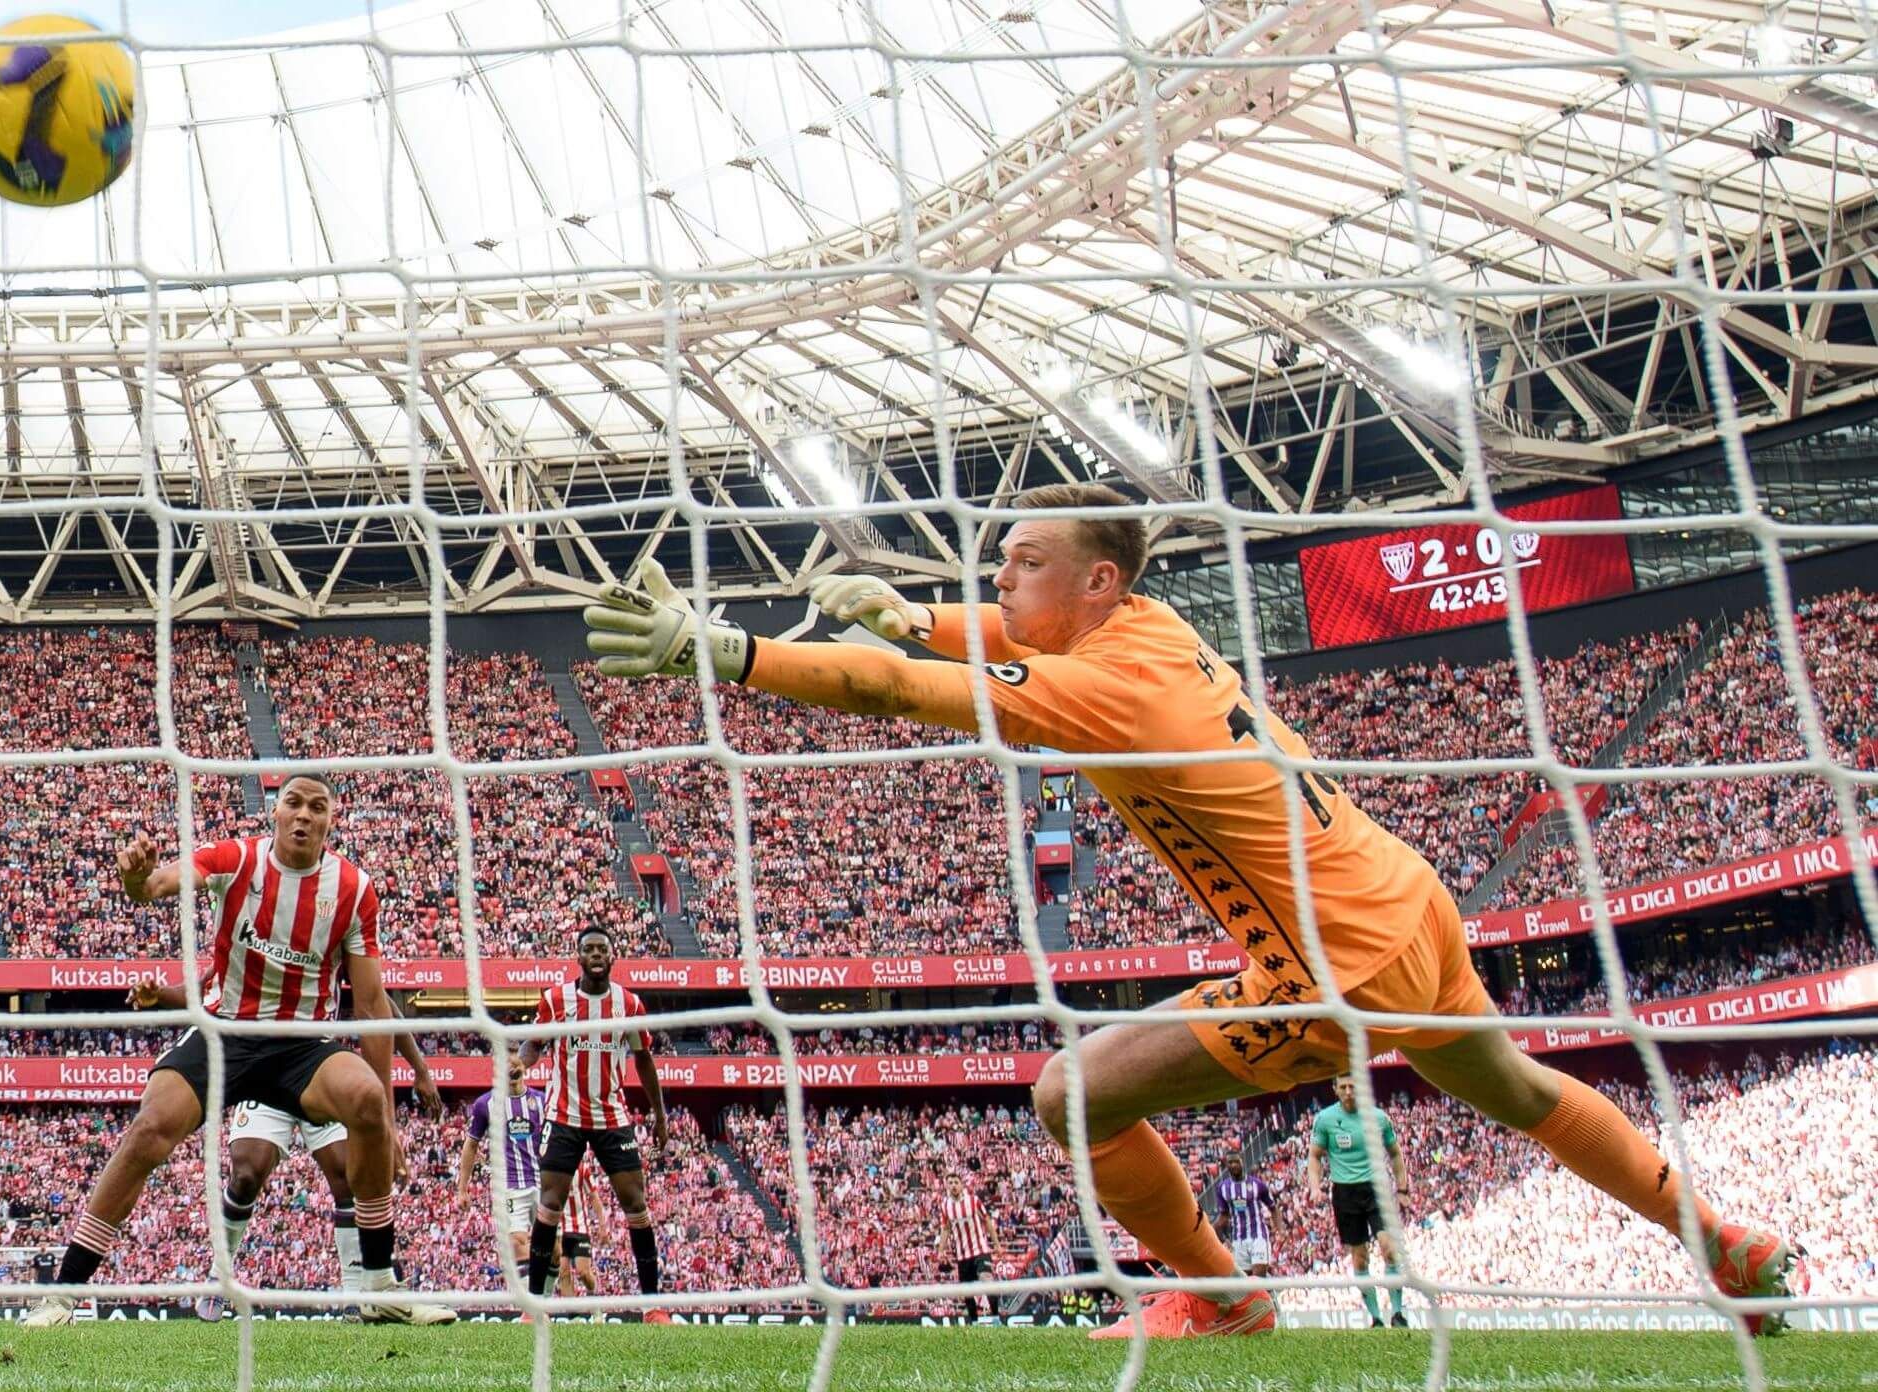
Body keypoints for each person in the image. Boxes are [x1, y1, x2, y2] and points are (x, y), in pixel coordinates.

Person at [582, 482, 1793, 1340]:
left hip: (1337, 962)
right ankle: (1721, 1241)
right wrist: (916, 610)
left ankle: (1224, 1298)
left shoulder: (1101, 692)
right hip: (1403, 896)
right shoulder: (1150, 628)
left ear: (1098, 577)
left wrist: (726, 650)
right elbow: (984, 637)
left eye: (1025, 560)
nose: (1000, 579)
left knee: (1072, 1094)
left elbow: (899, 693)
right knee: (1523, 1094)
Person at [20, 774, 453, 1326]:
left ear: (330, 821)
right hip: (225, 1034)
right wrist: (134, 879)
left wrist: (388, 1125)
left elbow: (370, 1005)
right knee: (151, 1128)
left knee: (368, 1099)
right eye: (292, 803)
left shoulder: (353, 889)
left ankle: (379, 1287)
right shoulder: (235, 859)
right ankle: (62, 1293)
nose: (303, 816)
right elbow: (155, 886)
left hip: (303, 1046)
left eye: (316, 808)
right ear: (275, 813)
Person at [125, 974, 448, 1322]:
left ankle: (356, 1298)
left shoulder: (330, 928)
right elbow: (205, 991)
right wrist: (159, 995)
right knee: (247, 1173)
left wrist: (420, 1068)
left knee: (346, 1176)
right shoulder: (252, 929)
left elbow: (378, 1004)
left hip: (316, 1067)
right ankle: (219, 1277)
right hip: (264, 1067)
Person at [516, 926, 673, 1323]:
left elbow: (643, 1060)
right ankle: (535, 1307)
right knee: (549, 1205)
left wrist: (659, 1113)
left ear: (613, 956)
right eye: (589, 949)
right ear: (578, 957)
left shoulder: (630, 1005)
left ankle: (652, 1305)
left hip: (611, 1116)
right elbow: (534, 1043)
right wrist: (521, 1061)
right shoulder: (556, 1001)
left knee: (636, 1203)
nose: (597, 954)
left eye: (603, 948)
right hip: (563, 1114)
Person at [1307, 1080, 1407, 1326]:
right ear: (1335, 1089)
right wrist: (1314, 1186)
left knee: (1389, 1248)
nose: (1349, 1092)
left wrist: (1403, 1188)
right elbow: (1315, 1156)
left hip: (1376, 1188)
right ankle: (1375, 1317)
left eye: (1353, 1086)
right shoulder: (1325, 1119)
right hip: (1345, 1192)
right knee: (1360, 1257)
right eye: (1343, 1087)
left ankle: (1397, 1313)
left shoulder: (1379, 1118)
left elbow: (1395, 1153)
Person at [456, 1058, 548, 1291]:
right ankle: (532, 1307)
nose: (512, 1068)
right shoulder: (485, 1104)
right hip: (510, 1187)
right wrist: (462, 1188)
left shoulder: (542, 1101)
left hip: (544, 1184)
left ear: (524, 1066)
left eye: (516, 1063)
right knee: (517, 1241)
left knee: (553, 1248)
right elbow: (471, 1145)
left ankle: (543, 1300)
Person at [938, 1171, 999, 1320]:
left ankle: (996, 1319)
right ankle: (974, 1323)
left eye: (956, 1182)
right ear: (947, 1186)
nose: (953, 1186)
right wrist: (941, 1250)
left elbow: (987, 1221)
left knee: (987, 1279)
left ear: (961, 1185)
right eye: (950, 1183)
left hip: (980, 1249)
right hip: (962, 1254)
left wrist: (997, 1244)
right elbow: (945, 1228)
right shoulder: (945, 1206)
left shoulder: (973, 1201)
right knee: (967, 1291)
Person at [1207, 1152, 1277, 1281]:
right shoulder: (1222, 1188)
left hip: (1258, 1237)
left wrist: (1280, 1229)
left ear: (1242, 1162)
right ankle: (1267, 1296)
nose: (1234, 1165)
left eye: (1236, 1161)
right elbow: (1223, 1216)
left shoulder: (1257, 1184)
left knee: (1257, 1280)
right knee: (1244, 1285)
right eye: (1230, 1162)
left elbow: (1273, 1207)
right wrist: (1219, 1237)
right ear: (1226, 1166)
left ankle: (1269, 1298)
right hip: (1238, 1241)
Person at [554, 1161, 603, 1308]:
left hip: (580, 1228)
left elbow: (594, 1197)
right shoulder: (552, 1168)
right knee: (563, 1273)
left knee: (583, 1273)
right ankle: (573, 1315)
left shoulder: (582, 1169)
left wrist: (602, 1226)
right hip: (560, 1230)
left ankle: (595, 1303)